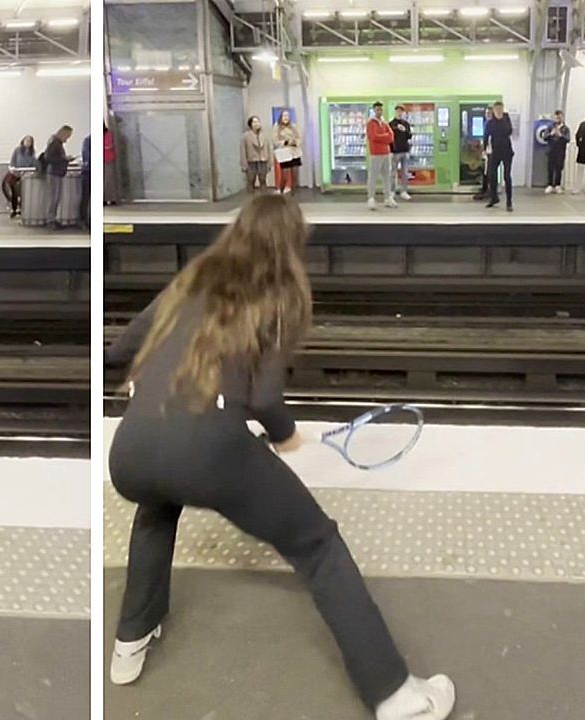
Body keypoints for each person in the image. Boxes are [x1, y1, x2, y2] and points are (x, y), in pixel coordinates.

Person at [104, 193, 456, 720]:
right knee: (317, 544)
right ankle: (395, 694)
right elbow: (265, 397)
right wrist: (286, 436)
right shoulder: (280, 295)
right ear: (290, 244)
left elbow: (122, 349)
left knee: (157, 505)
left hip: (129, 453)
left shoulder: (191, 279)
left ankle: (130, 642)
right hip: (207, 452)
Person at [42, 125, 75, 228]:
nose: (68, 139)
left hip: (56, 173)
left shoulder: (56, 142)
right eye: (68, 136)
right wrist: (64, 159)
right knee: (54, 198)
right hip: (53, 173)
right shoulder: (55, 143)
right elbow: (48, 158)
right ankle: (50, 220)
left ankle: (52, 218)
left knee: (56, 198)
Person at [365, 101, 396, 211]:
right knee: (373, 177)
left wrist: (383, 138)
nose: (379, 111)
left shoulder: (384, 123)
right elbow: (374, 137)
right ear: (374, 110)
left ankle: (388, 198)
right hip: (376, 154)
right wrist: (385, 138)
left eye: (381, 109)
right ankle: (371, 199)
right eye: (377, 109)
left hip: (386, 153)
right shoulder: (371, 123)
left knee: (386, 176)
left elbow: (391, 136)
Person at [484, 101, 515, 212]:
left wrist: (501, 119)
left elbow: (509, 131)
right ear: (493, 110)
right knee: (492, 175)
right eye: (497, 109)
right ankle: (494, 197)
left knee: (507, 176)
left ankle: (509, 202)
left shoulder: (506, 118)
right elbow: (486, 135)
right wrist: (484, 149)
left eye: (500, 109)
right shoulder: (490, 122)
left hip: (507, 151)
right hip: (495, 151)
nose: (499, 111)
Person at [3, 135, 34, 218]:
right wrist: (12, 168)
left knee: (23, 193)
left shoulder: (32, 152)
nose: (28, 143)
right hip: (15, 174)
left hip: (25, 175)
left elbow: (32, 162)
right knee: (14, 192)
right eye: (26, 141)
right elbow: (12, 161)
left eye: (30, 142)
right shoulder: (17, 150)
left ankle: (22, 209)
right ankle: (13, 209)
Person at [541, 110, 571, 193]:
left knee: (559, 168)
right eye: (556, 117)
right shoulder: (550, 127)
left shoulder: (566, 129)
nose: (558, 118)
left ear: (562, 117)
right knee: (550, 168)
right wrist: (551, 134)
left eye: (560, 117)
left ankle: (557, 185)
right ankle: (550, 185)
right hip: (551, 151)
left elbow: (568, 139)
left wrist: (560, 135)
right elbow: (544, 137)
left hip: (560, 152)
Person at [240, 115, 271, 193]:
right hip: (251, 161)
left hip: (263, 160)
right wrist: (244, 164)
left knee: (263, 180)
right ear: (250, 124)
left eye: (258, 121)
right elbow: (243, 150)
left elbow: (269, 149)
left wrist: (270, 162)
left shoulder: (265, 135)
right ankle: (250, 200)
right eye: (254, 122)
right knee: (251, 181)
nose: (257, 123)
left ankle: (264, 200)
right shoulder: (246, 136)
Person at [274, 110, 302, 195]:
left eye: (287, 116)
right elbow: (275, 141)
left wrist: (295, 142)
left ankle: (293, 195)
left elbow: (299, 138)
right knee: (285, 176)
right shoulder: (277, 127)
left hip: (294, 153)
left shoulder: (294, 126)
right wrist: (286, 142)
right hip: (284, 154)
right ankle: (281, 192)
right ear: (281, 117)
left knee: (295, 176)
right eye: (284, 116)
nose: (286, 117)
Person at [389, 106, 413, 201]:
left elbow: (409, 136)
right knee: (393, 173)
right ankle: (392, 191)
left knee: (405, 172)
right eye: (398, 111)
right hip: (395, 152)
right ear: (395, 112)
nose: (399, 113)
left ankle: (404, 191)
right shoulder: (391, 124)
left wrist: (405, 130)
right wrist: (390, 151)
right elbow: (389, 138)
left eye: (401, 111)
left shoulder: (406, 124)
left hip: (405, 151)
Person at [104, 123, 118, 205]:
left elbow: (109, 145)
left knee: (108, 180)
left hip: (108, 159)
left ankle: (110, 198)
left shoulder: (108, 134)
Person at [81, 133, 91, 230]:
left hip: (87, 171)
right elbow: (87, 156)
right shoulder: (88, 140)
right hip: (88, 172)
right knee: (86, 198)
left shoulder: (87, 140)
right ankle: (85, 220)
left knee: (86, 198)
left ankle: (85, 220)